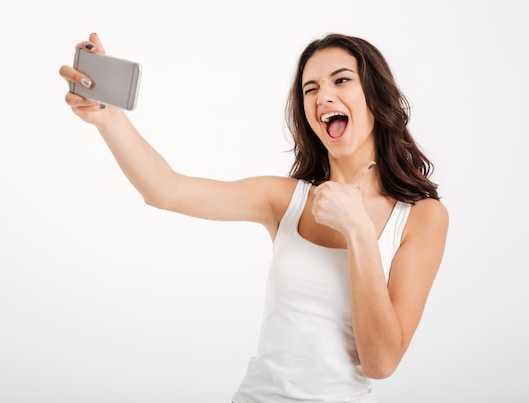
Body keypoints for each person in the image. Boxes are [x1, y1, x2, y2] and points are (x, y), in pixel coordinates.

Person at [59, 32, 449, 403]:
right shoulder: (284, 199)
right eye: (310, 89)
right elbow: (166, 190)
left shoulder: (421, 218)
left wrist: (359, 230)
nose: (322, 96)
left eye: (341, 80)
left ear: (376, 97)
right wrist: (109, 118)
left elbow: (381, 362)